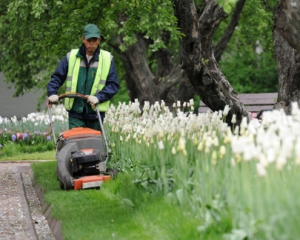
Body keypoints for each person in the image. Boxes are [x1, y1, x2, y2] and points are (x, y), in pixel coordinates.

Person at [47, 24, 119, 131]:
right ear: (83, 39)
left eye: (94, 40)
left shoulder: (107, 58)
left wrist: (99, 97)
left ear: (99, 40)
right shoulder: (71, 56)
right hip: (75, 112)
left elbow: (113, 85)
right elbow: (57, 77)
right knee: (77, 144)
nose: (91, 43)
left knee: (94, 145)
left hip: (96, 112)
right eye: (89, 40)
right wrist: (52, 93)